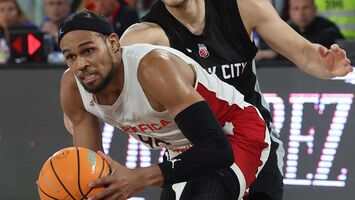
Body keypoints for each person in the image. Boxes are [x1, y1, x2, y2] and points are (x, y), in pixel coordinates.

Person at [119, 0, 353, 199]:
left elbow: (303, 52)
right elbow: (111, 84)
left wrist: (324, 64)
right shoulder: (144, 37)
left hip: (254, 139)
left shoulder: (243, 7)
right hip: (197, 148)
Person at [59, 10, 272, 200]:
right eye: (70, 57)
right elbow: (89, 172)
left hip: (234, 133)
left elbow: (217, 149)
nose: (81, 64)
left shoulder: (152, 68)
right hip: (183, 148)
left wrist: (138, 178)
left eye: (88, 51)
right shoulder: (73, 88)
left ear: (114, 43)